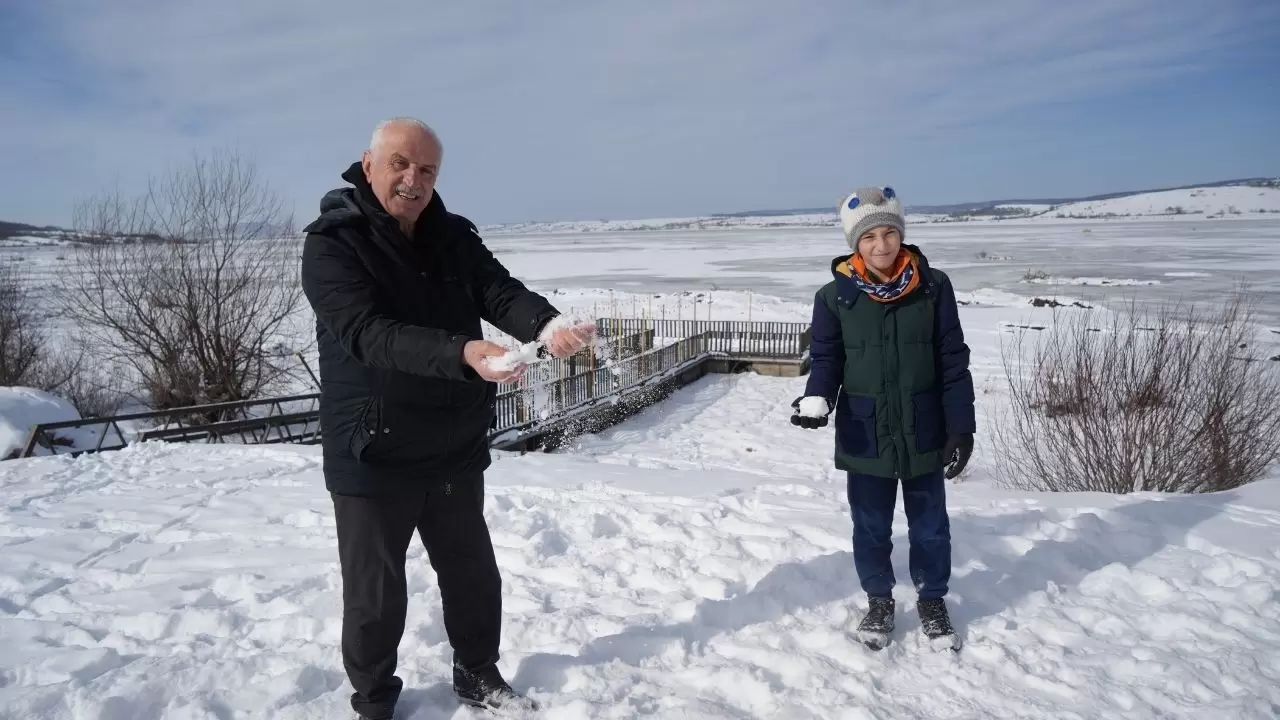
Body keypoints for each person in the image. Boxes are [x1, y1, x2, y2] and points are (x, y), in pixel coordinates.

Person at [300, 117, 594, 718]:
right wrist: (462, 353)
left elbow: (497, 290)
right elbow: (367, 334)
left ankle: (477, 673)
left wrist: (546, 324)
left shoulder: (452, 234)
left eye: (428, 169)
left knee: (473, 576)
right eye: (401, 164)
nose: (414, 179)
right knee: (375, 597)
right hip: (372, 448)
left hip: (452, 442)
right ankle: (375, 702)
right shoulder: (333, 243)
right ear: (369, 163)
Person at [789, 185, 974, 652]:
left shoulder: (933, 288)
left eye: (890, 232)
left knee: (930, 524)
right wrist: (818, 399)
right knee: (870, 524)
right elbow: (827, 359)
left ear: (902, 235)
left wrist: (961, 425)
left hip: (924, 427)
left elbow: (953, 358)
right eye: (869, 237)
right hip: (864, 430)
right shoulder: (834, 298)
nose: (881, 245)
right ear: (855, 244)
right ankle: (879, 599)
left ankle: (932, 599)